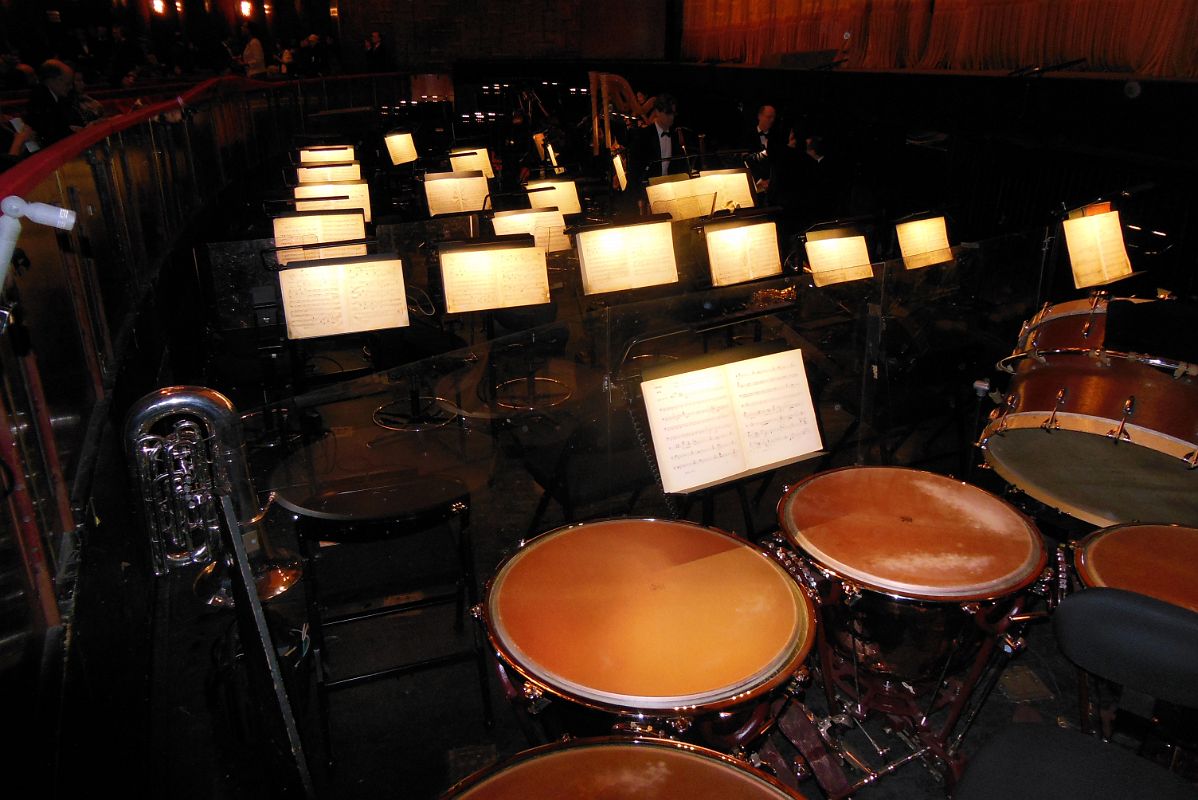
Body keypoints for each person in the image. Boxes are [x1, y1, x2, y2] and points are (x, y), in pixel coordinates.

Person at [629, 93, 690, 182]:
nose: (672, 117)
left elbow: (680, 167)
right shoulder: (643, 135)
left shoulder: (675, 136)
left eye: (673, 113)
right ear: (657, 112)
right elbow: (635, 171)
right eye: (668, 113)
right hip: (648, 188)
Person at [24, 59, 79, 145]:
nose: (71, 87)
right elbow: (52, 133)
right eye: (67, 84)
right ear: (52, 80)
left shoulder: (52, 97)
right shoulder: (41, 99)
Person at [743, 104, 781, 193]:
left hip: (773, 183)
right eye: (769, 117)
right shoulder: (748, 135)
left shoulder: (777, 135)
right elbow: (745, 161)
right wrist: (759, 180)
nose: (772, 120)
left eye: (773, 117)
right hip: (755, 183)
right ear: (759, 116)